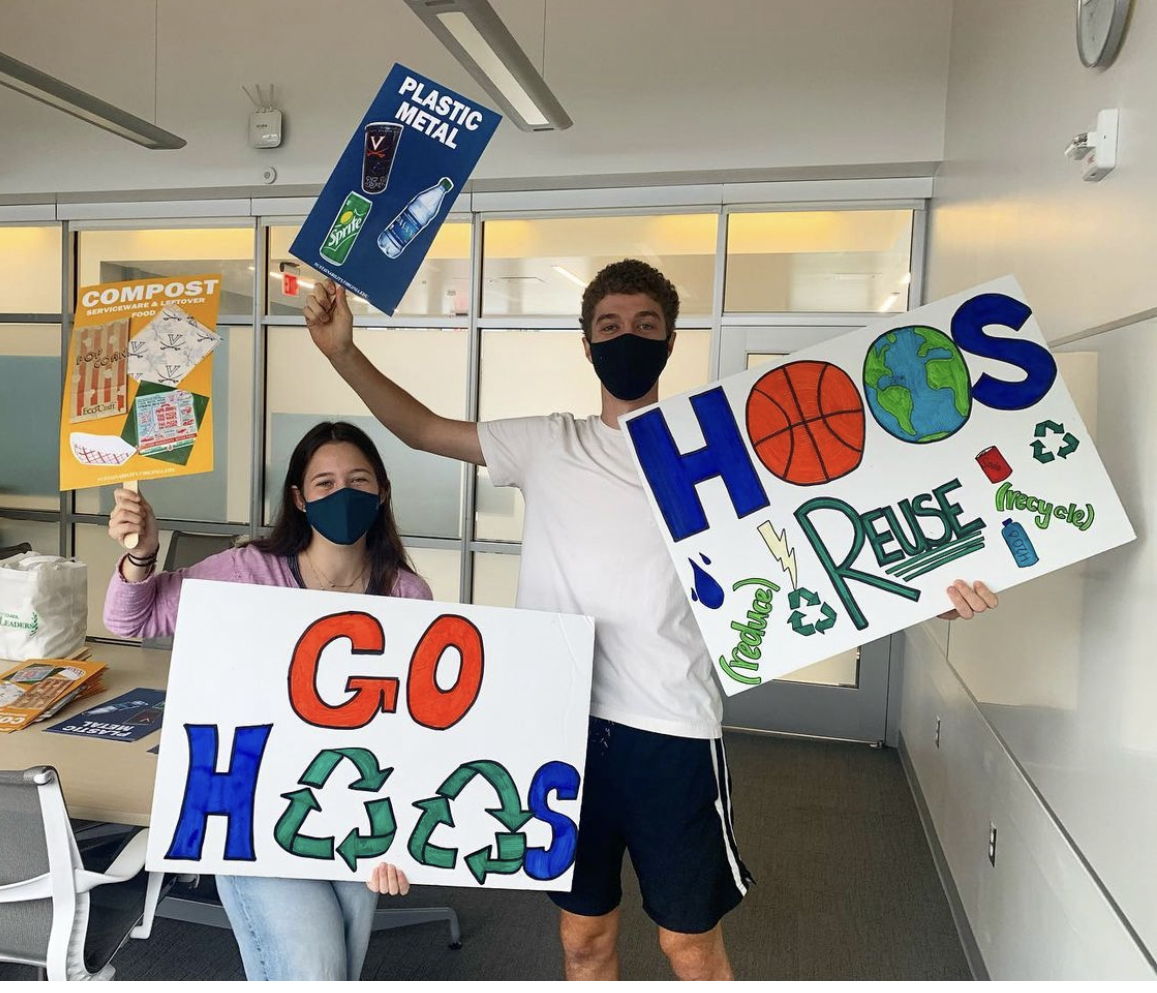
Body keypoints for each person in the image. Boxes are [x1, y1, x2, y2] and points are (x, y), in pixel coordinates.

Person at [304, 259, 998, 981]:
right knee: (583, 940)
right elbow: (419, 429)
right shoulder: (547, 444)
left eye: (644, 325)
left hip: (671, 730)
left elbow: (825, 537)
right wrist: (343, 352)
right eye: (608, 326)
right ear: (585, 343)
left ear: (670, 341)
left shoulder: (718, 450)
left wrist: (931, 584)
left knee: (688, 946)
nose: (626, 338)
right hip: (560, 732)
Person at [103, 420, 425, 981]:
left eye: (358, 480)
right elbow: (133, 619)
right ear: (299, 499)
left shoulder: (406, 593)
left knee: (339, 968)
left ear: (382, 492)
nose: (342, 493)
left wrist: (400, 836)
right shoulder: (244, 572)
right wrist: (142, 556)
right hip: (252, 803)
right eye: (323, 483)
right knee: (315, 969)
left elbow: (415, 726)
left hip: (353, 805)